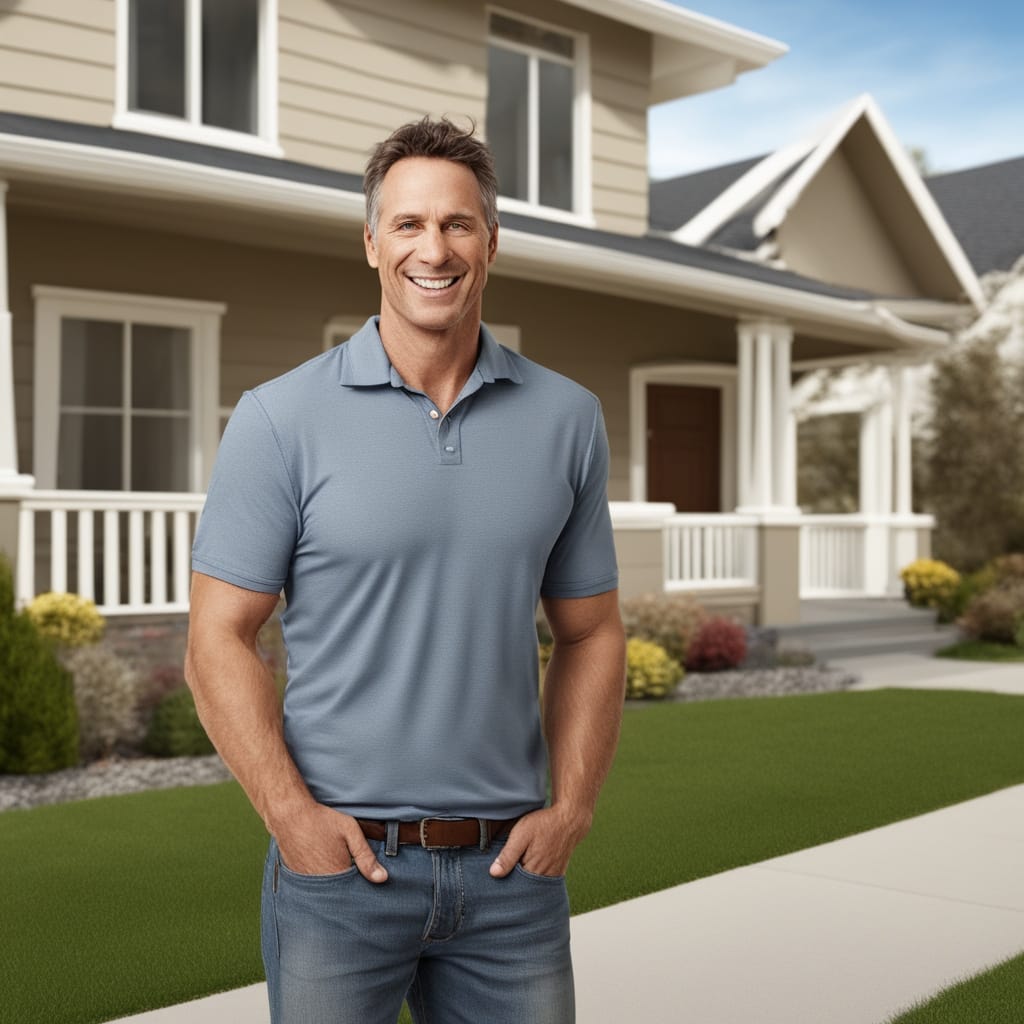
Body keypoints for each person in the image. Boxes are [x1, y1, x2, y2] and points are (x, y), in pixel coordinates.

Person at [185, 116, 626, 1024]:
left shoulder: (568, 418)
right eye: (410, 224)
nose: (435, 249)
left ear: (491, 242)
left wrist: (573, 809)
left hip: (512, 882)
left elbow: (591, 632)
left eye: (458, 224)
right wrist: (291, 820)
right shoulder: (278, 419)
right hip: (340, 877)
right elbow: (217, 639)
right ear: (372, 242)